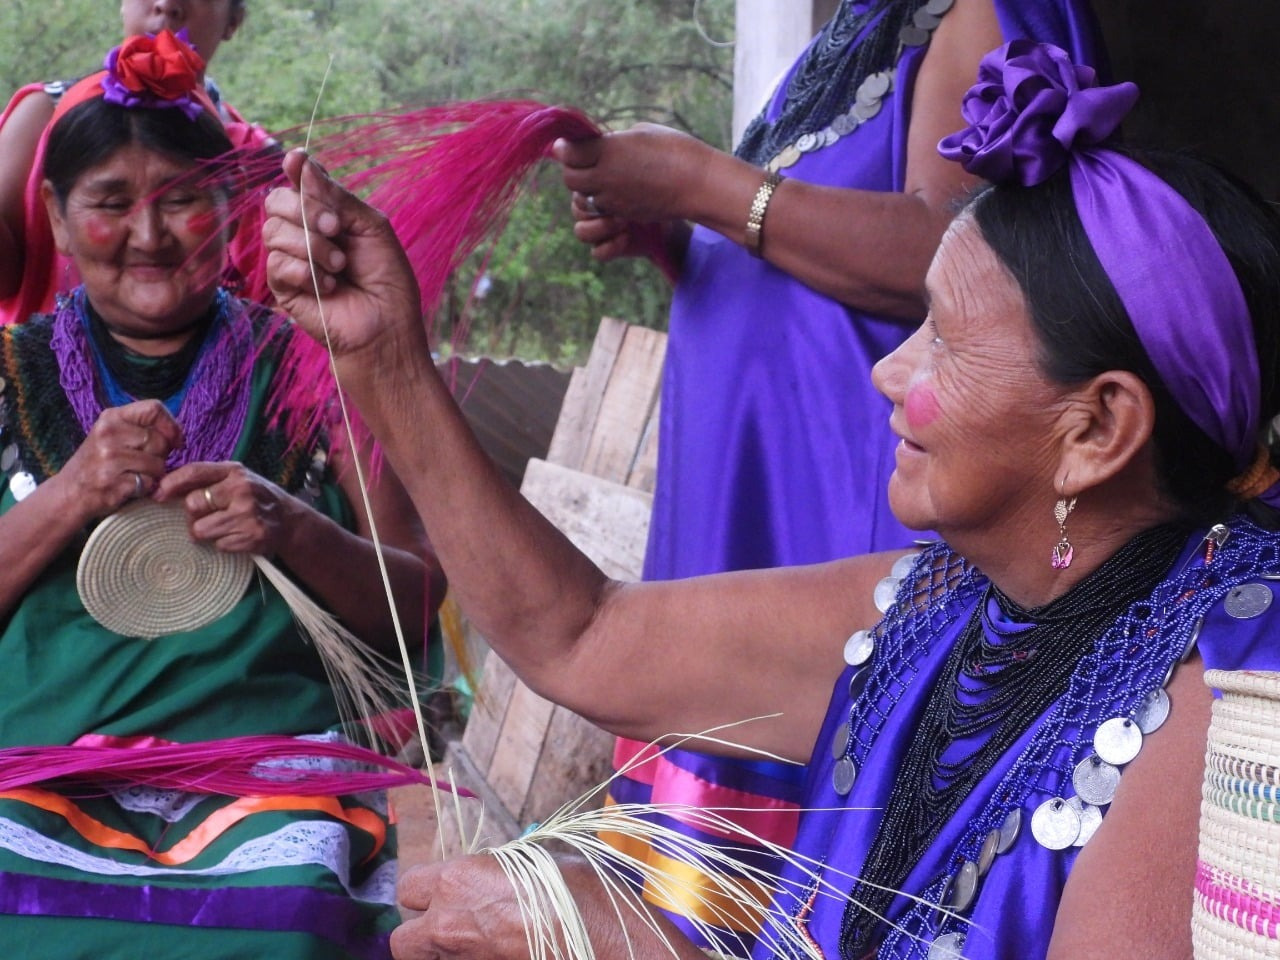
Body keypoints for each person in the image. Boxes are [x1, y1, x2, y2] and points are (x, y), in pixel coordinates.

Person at [263, 40, 1280, 960]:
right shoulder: (944, 607)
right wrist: (386, 362)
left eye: (945, 342)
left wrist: (621, 938)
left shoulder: (1228, 705)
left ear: (1095, 431)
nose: (888, 374)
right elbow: (580, 635)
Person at [553, 2, 1107, 944]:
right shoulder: (859, 33)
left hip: (838, 483)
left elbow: (960, 250)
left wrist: (698, 182)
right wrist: (683, 237)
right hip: (742, 485)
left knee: (817, 807)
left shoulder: (976, 11)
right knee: (696, 849)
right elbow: (801, 258)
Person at [0, 33, 442, 958]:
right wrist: (73, 490)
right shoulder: (7, 378)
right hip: (32, 768)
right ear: (54, 209)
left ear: (231, 208)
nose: (150, 237)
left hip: (265, 776)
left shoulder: (320, 369)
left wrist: (290, 527)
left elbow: (417, 611)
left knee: (283, 924)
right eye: (111, 204)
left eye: (184, 202)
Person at [0, 0, 270, 327]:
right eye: (112, 204)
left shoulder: (261, 160)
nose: (166, 4)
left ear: (233, 20)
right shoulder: (43, 115)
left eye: (181, 199)